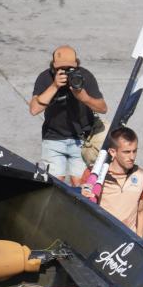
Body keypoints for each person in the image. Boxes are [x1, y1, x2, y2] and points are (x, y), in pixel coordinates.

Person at [29, 46, 108, 187]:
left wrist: (84, 98)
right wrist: (54, 86)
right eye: (61, 69)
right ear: (53, 66)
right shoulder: (45, 77)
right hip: (53, 138)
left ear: (77, 64)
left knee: (79, 184)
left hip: (81, 139)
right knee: (54, 184)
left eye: (69, 69)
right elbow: (34, 109)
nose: (65, 73)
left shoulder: (85, 77)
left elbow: (103, 108)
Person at [79, 126, 143, 238]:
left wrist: (140, 240)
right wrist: (82, 194)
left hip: (129, 242)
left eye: (134, 151)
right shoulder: (92, 174)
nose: (132, 157)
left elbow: (140, 211)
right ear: (113, 152)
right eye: (126, 152)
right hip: (100, 238)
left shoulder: (142, 176)